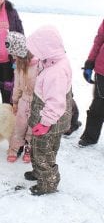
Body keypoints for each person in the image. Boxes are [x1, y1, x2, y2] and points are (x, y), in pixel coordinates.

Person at [25, 26, 72, 196]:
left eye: (37, 49)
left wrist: (45, 123)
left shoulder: (56, 72)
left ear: (47, 49)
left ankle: (48, 183)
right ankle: (39, 173)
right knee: (41, 149)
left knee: (44, 153)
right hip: (51, 119)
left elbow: (56, 102)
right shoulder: (53, 60)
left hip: (49, 120)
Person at [4, 31, 38, 163]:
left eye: (14, 54)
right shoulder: (18, 65)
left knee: (31, 126)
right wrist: (15, 101)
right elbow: (17, 85)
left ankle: (29, 147)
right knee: (19, 125)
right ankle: (15, 148)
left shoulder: (38, 65)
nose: (13, 57)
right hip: (23, 100)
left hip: (36, 101)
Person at [78, 20, 104, 147]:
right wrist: (90, 62)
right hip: (102, 70)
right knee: (98, 105)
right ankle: (90, 137)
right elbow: (99, 41)